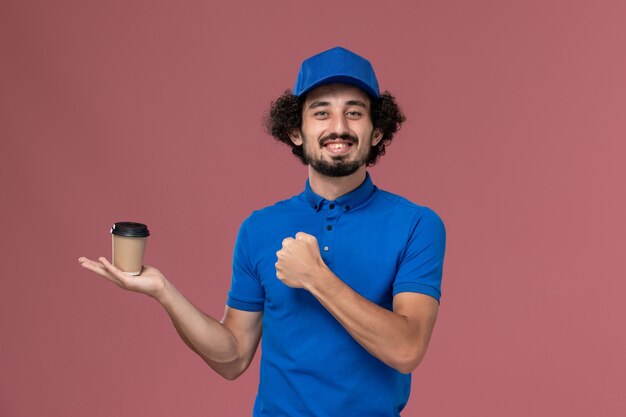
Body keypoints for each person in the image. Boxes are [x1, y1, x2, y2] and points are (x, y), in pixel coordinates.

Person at [79, 46, 446, 417]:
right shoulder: (259, 228)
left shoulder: (417, 224)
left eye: (354, 112)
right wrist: (163, 292)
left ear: (377, 131)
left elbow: (406, 350)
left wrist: (316, 277)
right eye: (321, 113)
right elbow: (233, 357)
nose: (339, 127)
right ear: (296, 131)